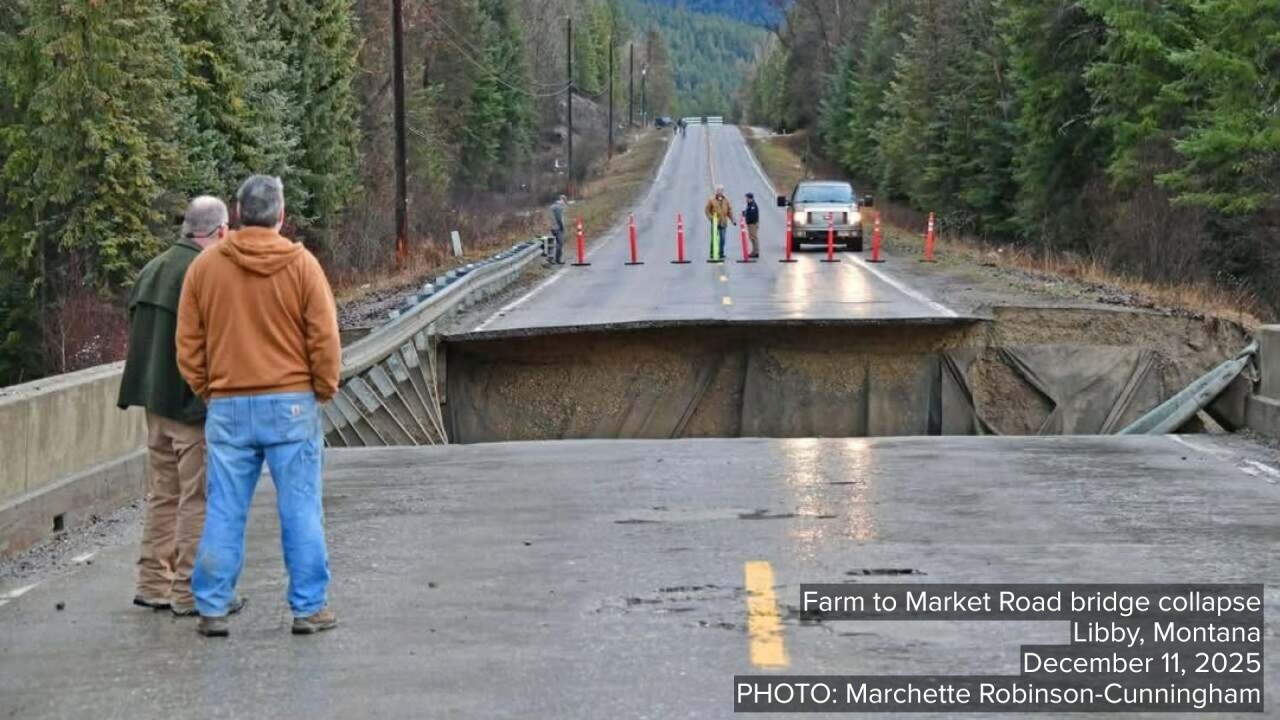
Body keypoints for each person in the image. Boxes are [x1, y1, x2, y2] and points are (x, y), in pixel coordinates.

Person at [177, 175, 341, 638]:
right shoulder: (302, 265)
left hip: (228, 404)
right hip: (291, 404)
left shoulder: (205, 269)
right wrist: (322, 389)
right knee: (301, 508)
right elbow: (324, 338)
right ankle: (309, 609)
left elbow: (188, 344)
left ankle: (211, 606)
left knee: (225, 509)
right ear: (281, 215)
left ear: (238, 212)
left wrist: (210, 390)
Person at [117, 196, 229, 618]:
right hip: (189, 406)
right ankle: (189, 590)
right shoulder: (202, 273)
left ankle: (152, 583)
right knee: (197, 498)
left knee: (163, 494)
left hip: (154, 403)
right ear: (219, 232)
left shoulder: (152, 269)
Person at [704, 185, 735, 260]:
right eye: (718, 190)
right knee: (714, 238)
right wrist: (711, 218)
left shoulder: (726, 200)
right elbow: (707, 210)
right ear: (716, 191)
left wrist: (733, 220)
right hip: (715, 222)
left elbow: (729, 211)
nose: (720, 192)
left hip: (723, 222)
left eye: (721, 190)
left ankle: (721, 252)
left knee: (723, 238)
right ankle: (712, 253)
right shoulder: (711, 200)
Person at [549, 194, 567, 265]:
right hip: (557, 228)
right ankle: (557, 259)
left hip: (552, 227)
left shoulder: (552, 206)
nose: (565, 203)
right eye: (564, 201)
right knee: (560, 243)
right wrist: (562, 227)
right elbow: (559, 219)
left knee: (555, 243)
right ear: (561, 200)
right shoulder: (559, 207)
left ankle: (551, 258)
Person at [744, 192, 760, 259]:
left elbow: (753, 216)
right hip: (750, 223)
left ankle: (756, 252)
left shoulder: (753, 205)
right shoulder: (749, 204)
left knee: (754, 238)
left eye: (747, 198)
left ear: (750, 198)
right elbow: (748, 212)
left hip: (752, 224)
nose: (746, 199)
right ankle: (754, 251)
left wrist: (749, 221)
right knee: (751, 237)